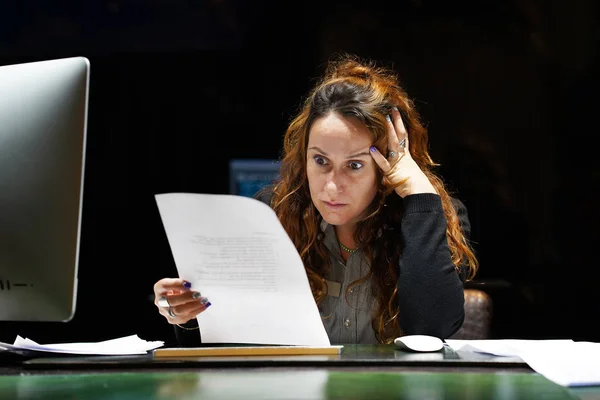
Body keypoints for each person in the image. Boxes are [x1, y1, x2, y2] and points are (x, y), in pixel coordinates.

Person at [153, 53, 479, 345]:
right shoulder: (274, 213)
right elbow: (233, 335)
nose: (331, 188)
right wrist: (188, 314)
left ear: (388, 164)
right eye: (320, 161)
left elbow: (431, 329)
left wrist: (419, 194)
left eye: (354, 165)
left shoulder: (434, 216)